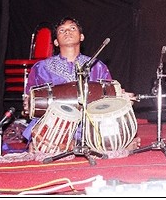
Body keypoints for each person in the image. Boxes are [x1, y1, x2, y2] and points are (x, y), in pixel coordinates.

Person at [22, 16, 139, 153]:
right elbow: (30, 99)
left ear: (81, 37)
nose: (67, 32)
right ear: (55, 42)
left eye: (72, 28)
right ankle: (78, 145)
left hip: (91, 122)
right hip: (57, 123)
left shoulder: (97, 66)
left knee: (111, 124)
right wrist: (28, 104)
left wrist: (121, 98)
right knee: (41, 143)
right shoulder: (41, 67)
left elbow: (109, 97)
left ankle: (76, 145)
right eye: (62, 30)